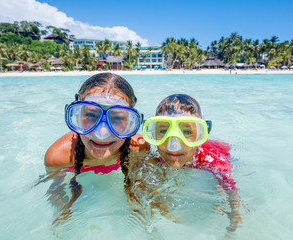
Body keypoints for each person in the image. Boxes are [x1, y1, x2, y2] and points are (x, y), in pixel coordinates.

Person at [43, 72, 149, 223]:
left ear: (131, 122)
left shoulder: (138, 147)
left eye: (117, 118)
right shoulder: (59, 156)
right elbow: (55, 190)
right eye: (91, 115)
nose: (102, 133)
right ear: (77, 116)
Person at [131, 94, 242, 233]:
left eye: (187, 131)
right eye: (164, 131)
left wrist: (234, 212)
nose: (173, 144)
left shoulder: (212, 159)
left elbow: (230, 187)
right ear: (153, 132)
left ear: (200, 134)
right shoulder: (156, 158)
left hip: (223, 151)